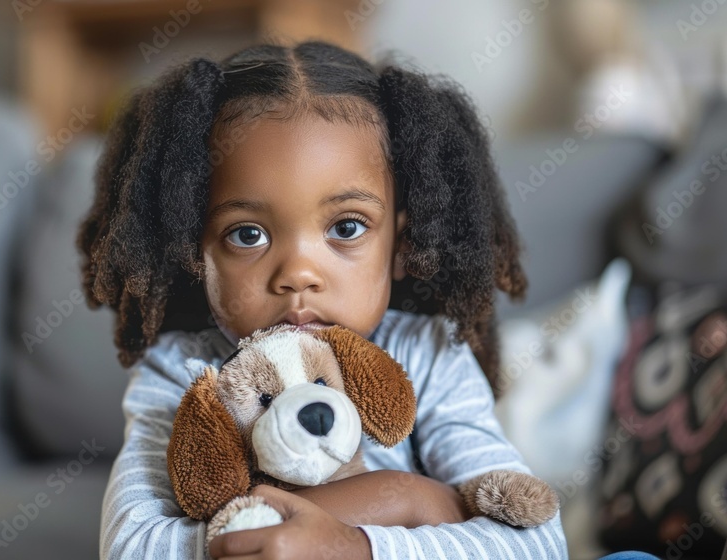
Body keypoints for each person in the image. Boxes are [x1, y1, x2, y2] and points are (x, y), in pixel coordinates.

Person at [80, 40, 569, 559]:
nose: (298, 274)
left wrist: (355, 547)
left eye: (346, 227)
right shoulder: (179, 372)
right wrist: (412, 499)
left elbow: (536, 541)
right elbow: (133, 548)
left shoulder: (431, 356)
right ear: (197, 254)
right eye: (247, 235)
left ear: (401, 247)